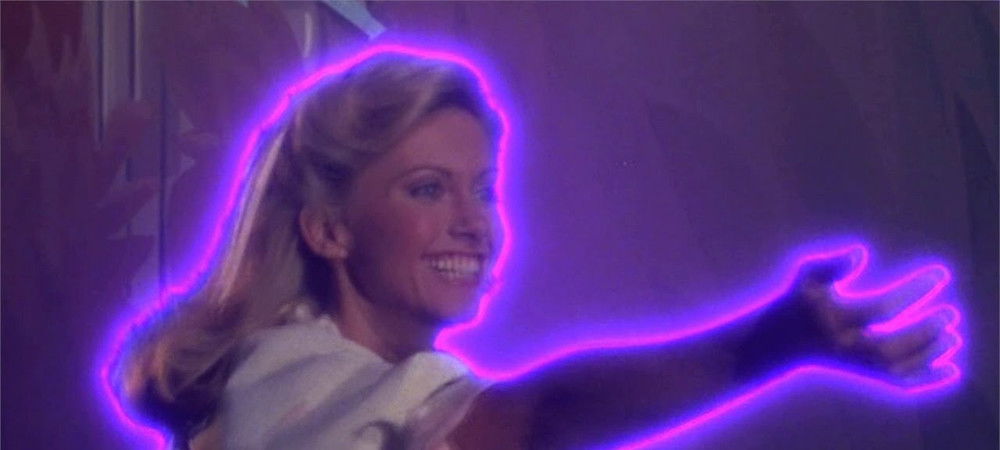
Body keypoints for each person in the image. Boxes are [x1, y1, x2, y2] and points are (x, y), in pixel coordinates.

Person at [120, 48, 961, 450]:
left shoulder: (299, 373)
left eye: (481, 189)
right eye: (427, 189)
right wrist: (765, 343)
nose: (474, 223)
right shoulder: (304, 383)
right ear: (329, 229)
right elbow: (539, 416)